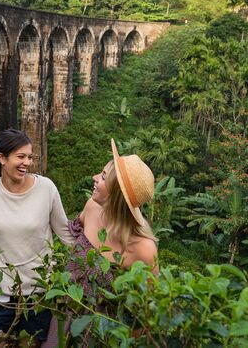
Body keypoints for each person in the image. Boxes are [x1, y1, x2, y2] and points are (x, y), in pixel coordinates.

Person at [42, 139, 159, 347]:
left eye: (104, 177)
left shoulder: (143, 248)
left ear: (117, 195)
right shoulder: (92, 208)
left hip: (101, 333)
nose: (95, 178)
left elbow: (145, 312)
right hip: (65, 316)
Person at [0, 129, 75, 346]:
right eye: (20, 157)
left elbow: (64, 232)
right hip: (0, 287)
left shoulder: (46, 188)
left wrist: (92, 263)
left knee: (30, 344)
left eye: (29, 157)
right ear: (2, 158)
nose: (27, 163)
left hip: (38, 289)